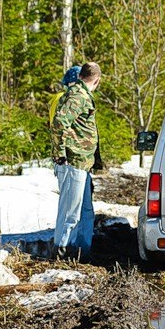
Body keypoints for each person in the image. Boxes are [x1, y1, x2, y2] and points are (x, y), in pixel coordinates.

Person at [50, 62, 101, 261]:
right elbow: (59, 122)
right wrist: (60, 153)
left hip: (83, 163)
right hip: (73, 162)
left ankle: (80, 252)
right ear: (97, 80)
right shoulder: (77, 96)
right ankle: (61, 252)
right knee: (70, 212)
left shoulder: (82, 95)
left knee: (85, 210)